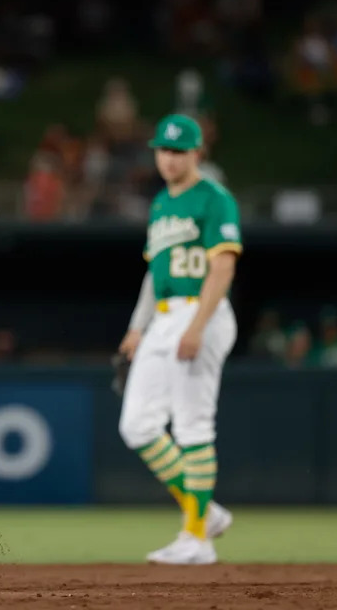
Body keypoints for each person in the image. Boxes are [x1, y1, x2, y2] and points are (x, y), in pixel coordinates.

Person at [116, 114, 241, 565]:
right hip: (164, 317)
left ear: (197, 154)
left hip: (200, 312)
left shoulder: (214, 198)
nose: (169, 158)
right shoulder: (161, 205)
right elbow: (155, 272)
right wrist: (137, 326)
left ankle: (196, 537)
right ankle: (204, 512)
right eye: (164, 150)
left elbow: (223, 267)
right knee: (138, 425)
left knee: (192, 424)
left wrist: (197, 326)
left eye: (179, 150)